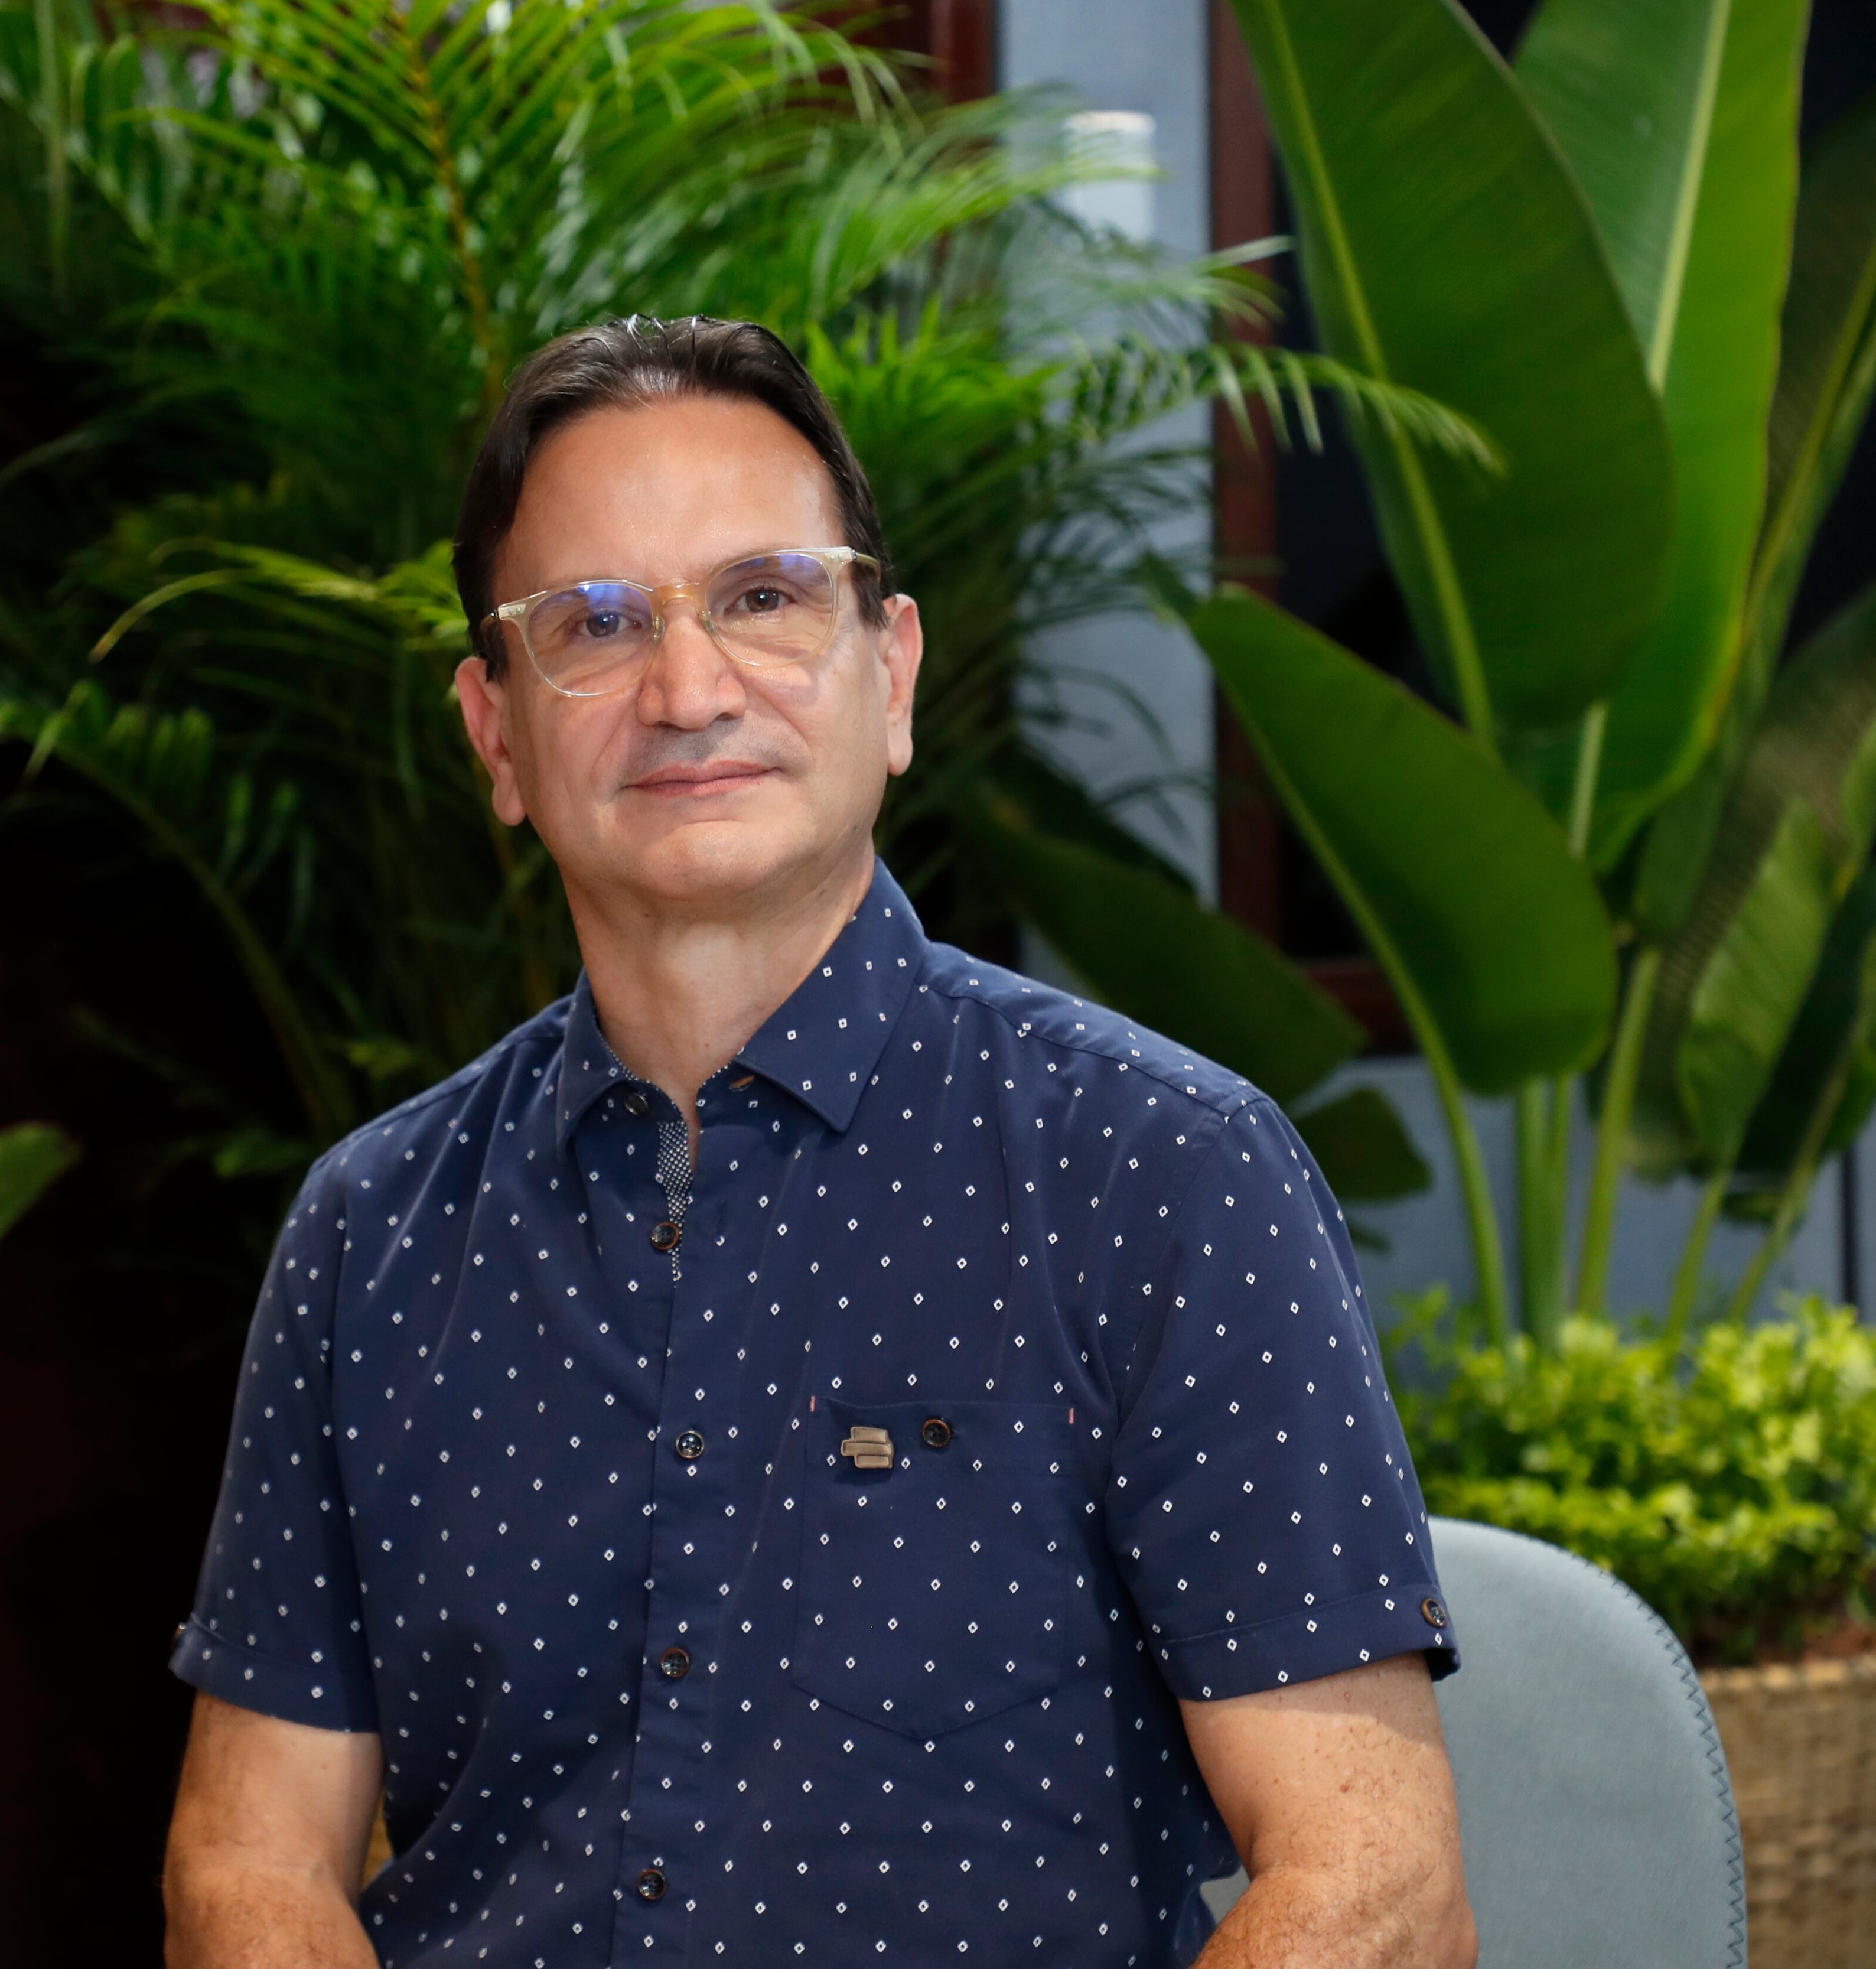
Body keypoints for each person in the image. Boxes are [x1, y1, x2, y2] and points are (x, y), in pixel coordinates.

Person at [161, 316, 1475, 1969]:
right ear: (496, 735)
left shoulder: (1163, 1175)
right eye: (595, 624)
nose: (688, 688)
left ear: (893, 673)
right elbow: (249, 1866)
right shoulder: (373, 1229)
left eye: (765, 597)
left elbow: (1377, 1890)